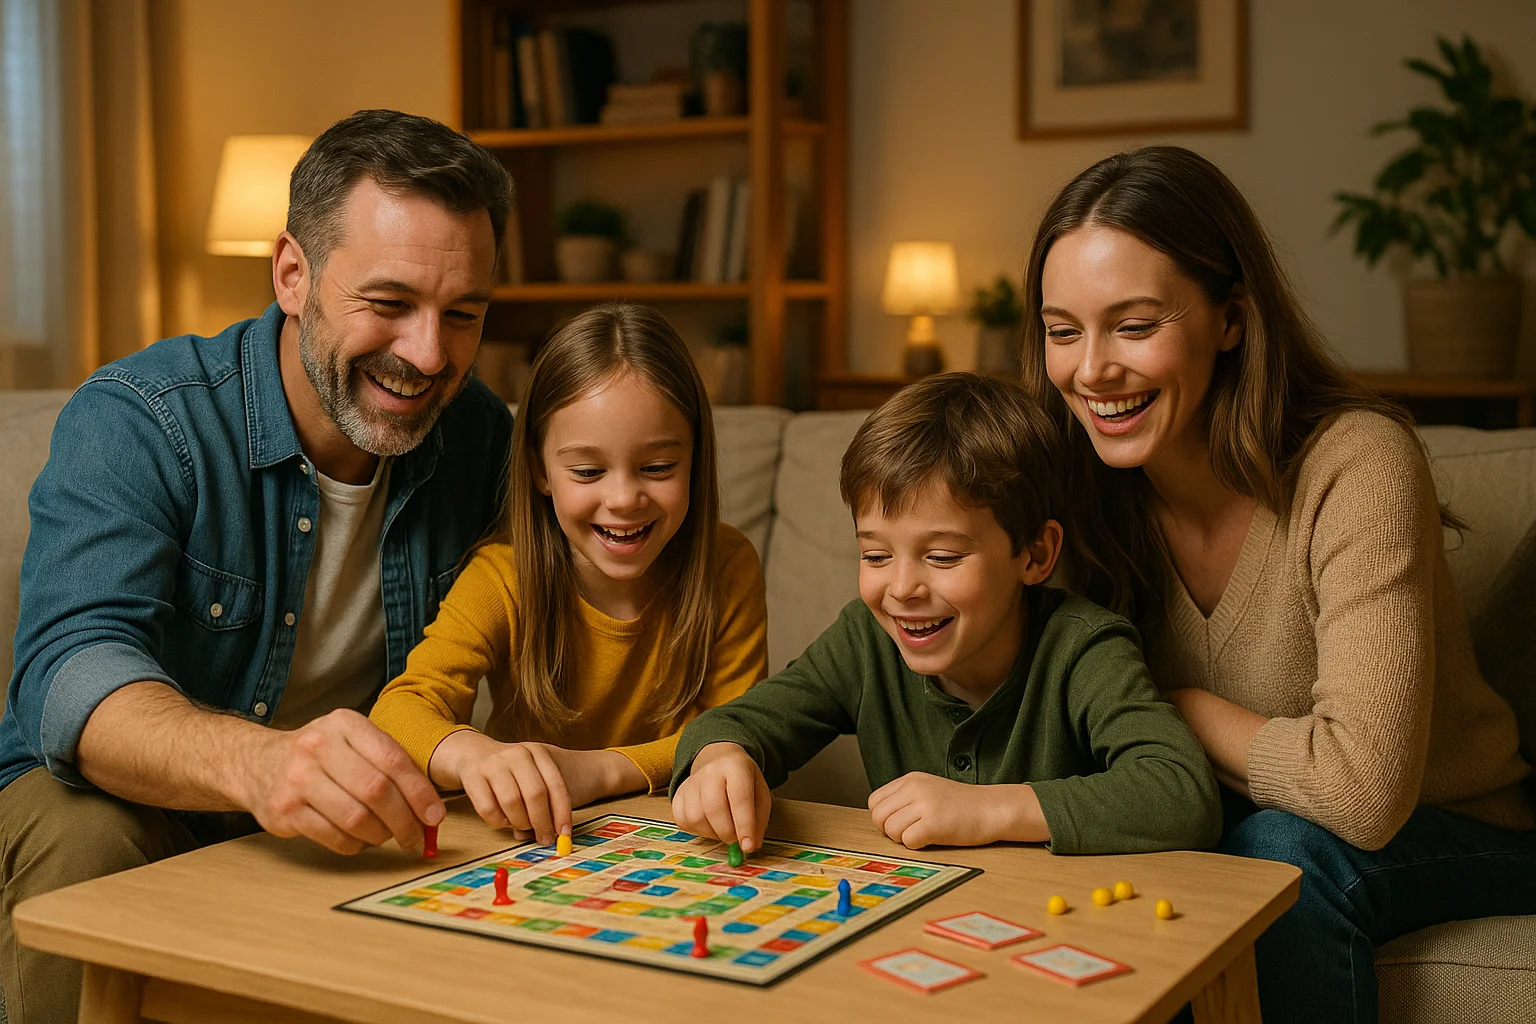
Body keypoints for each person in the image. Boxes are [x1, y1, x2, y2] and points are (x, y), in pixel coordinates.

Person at [0, 109, 514, 1023]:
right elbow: (69, 675)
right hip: (116, 800)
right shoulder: (141, 419)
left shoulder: (481, 440)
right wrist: (262, 766)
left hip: (358, 825)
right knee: (86, 839)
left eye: (462, 315)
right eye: (389, 304)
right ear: (292, 274)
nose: (429, 356)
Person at [1021, 145, 1536, 1024]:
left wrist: (1169, 705)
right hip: (1215, 821)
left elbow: (1362, 795)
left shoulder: (1358, 464)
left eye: (1135, 325)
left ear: (1232, 318)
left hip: (1461, 826)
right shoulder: (1076, 489)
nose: (1091, 370)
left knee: (1279, 853)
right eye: (1062, 329)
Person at [669, 372, 1221, 856]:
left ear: (1035, 555)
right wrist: (721, 758)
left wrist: (988, 810)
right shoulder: (865, 640)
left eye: (943, 556)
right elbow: (737, 723)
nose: (903, 588)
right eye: (875, 555)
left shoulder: (1083, 649)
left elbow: (1180, 792)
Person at [370, 303, 767, 845]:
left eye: (658, 468)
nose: (624, 499)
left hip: (679, 842)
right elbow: (399, 708)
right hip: (537, 844)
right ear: (540, 469)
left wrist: (600, 771)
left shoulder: (728, 566)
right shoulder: (503, 575)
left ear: (696, 459)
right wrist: (472, 756)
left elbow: (738, 730)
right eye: (587, 471)